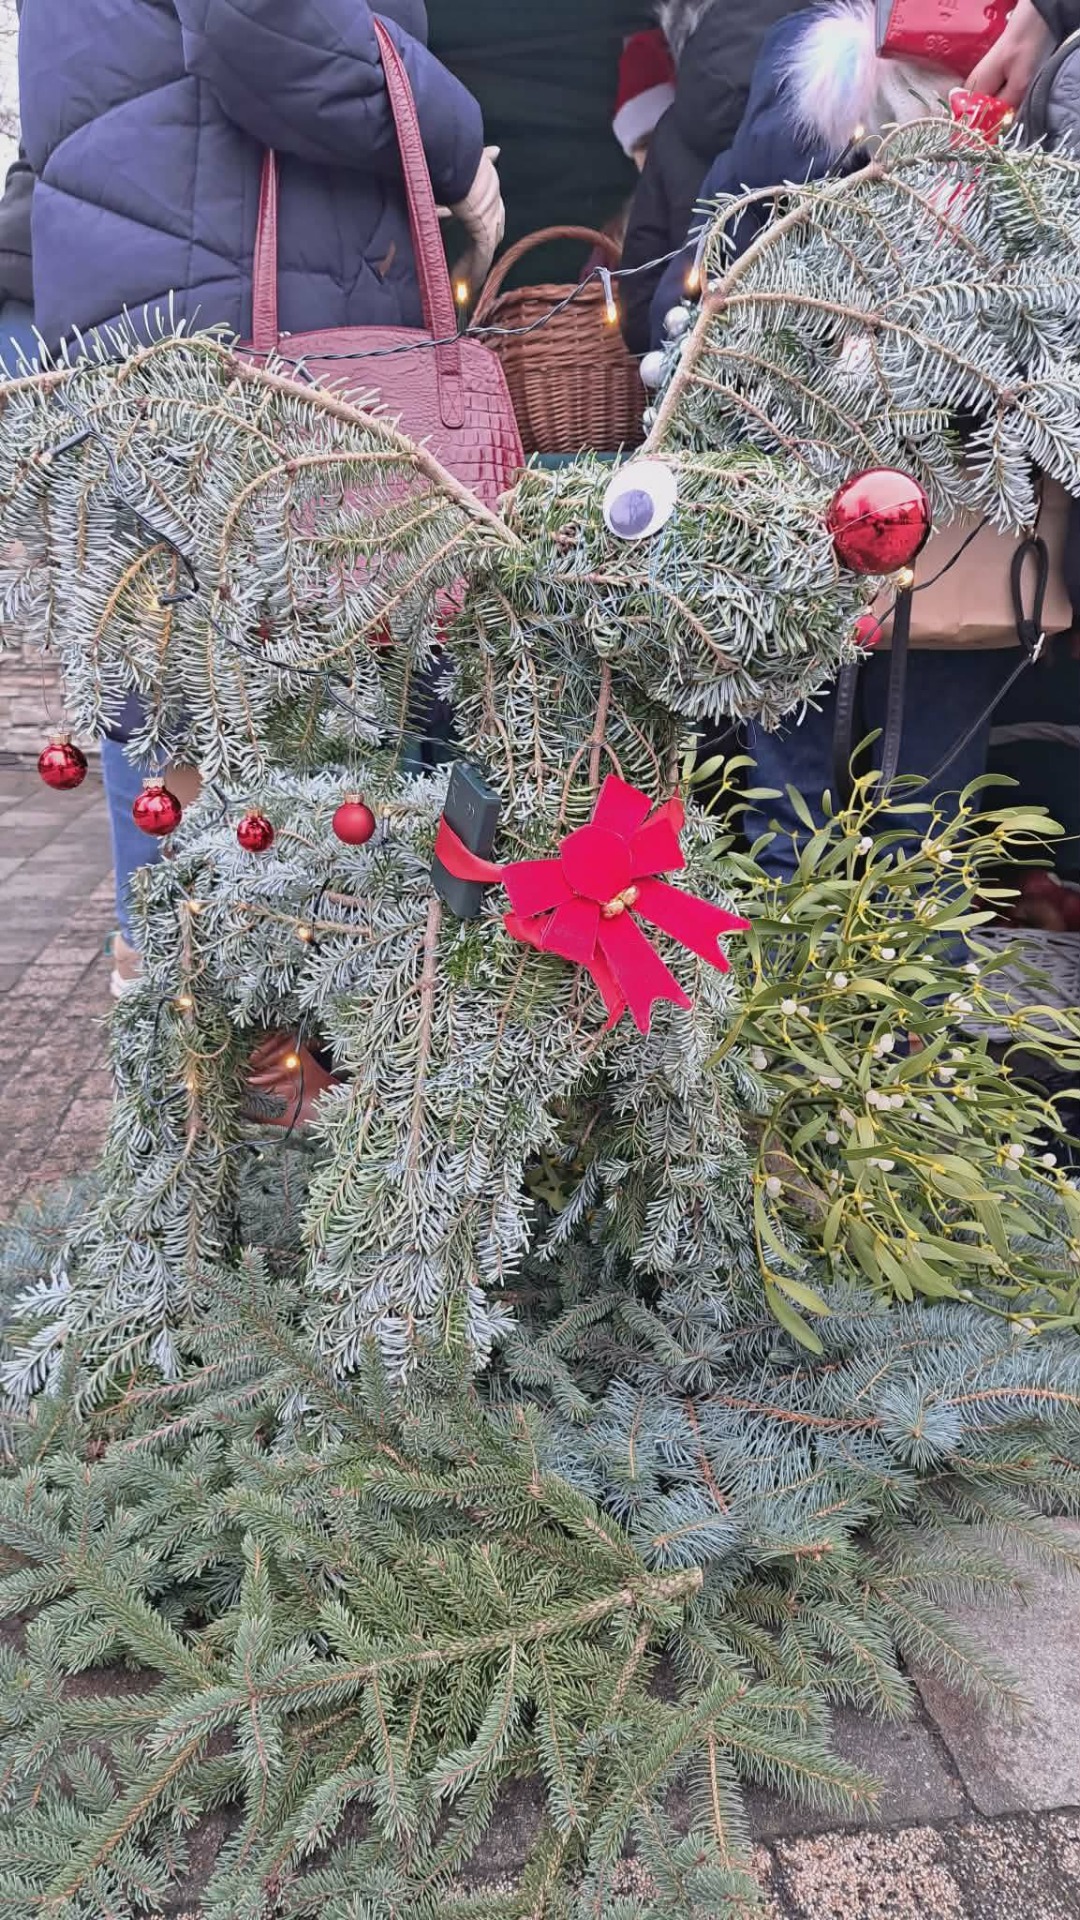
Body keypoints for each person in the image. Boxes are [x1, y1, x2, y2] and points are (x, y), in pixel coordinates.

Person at [17, 0, 504, 995]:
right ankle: (283, 1043)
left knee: (172, 714)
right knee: (294, 764)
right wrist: (452, 142)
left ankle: (185, 1028)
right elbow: (259, 23)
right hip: (246, 332)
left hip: (147, 310)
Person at [649, 0, 1029, 880]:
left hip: (912, 480)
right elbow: (731, 246)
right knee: (871, 803)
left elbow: (717, 254)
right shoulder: (833, 61)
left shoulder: (1028, 59)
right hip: (843, 476)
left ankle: (830, 946)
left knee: (862, 800)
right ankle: (829, 946)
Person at [619, 0, 808, 356]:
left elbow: (637, 302)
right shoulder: (837, 100)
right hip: (830, 360)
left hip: (698, 366)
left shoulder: (672, 131)